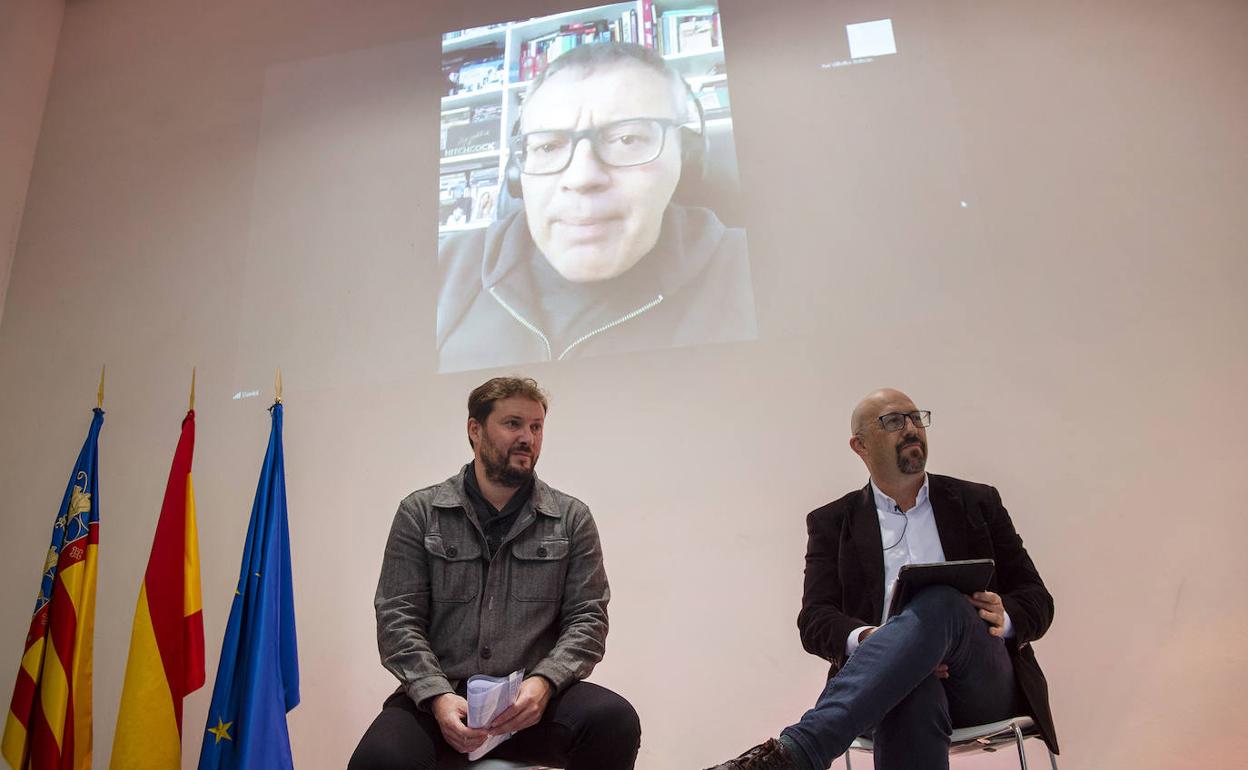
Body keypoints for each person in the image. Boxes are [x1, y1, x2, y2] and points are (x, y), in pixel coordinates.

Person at [707, 388, 1057, 770]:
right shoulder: (832, 522)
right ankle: (802, 748)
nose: (910, 428)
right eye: (893, 421)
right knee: (910, 687)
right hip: (889, 688)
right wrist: (876, 639)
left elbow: (1036, 597)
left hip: (981, 679)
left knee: (940, 601)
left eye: (915, 418)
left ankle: (795, 753)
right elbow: (815, 621)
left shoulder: (977, 502)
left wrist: (1005, 616)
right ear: (860, 446)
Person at [349, 377, 640, 770]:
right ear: (475, 429)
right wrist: (436, 697)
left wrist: (544, 683)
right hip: (443, 700)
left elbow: (588, 619)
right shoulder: (420, 513)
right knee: (378, 762)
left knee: (613, 720)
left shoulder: (571, 519)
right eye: (513, 424)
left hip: (533, 704)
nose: (528, 437)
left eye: (536, 427)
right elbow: (397, 618)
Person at [437, 42, 756, 373]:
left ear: (687, 159)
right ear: (518, 175)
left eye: (627, 140)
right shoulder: (445, 271)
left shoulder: (753, 272)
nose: (581, 177)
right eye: (548, 146)